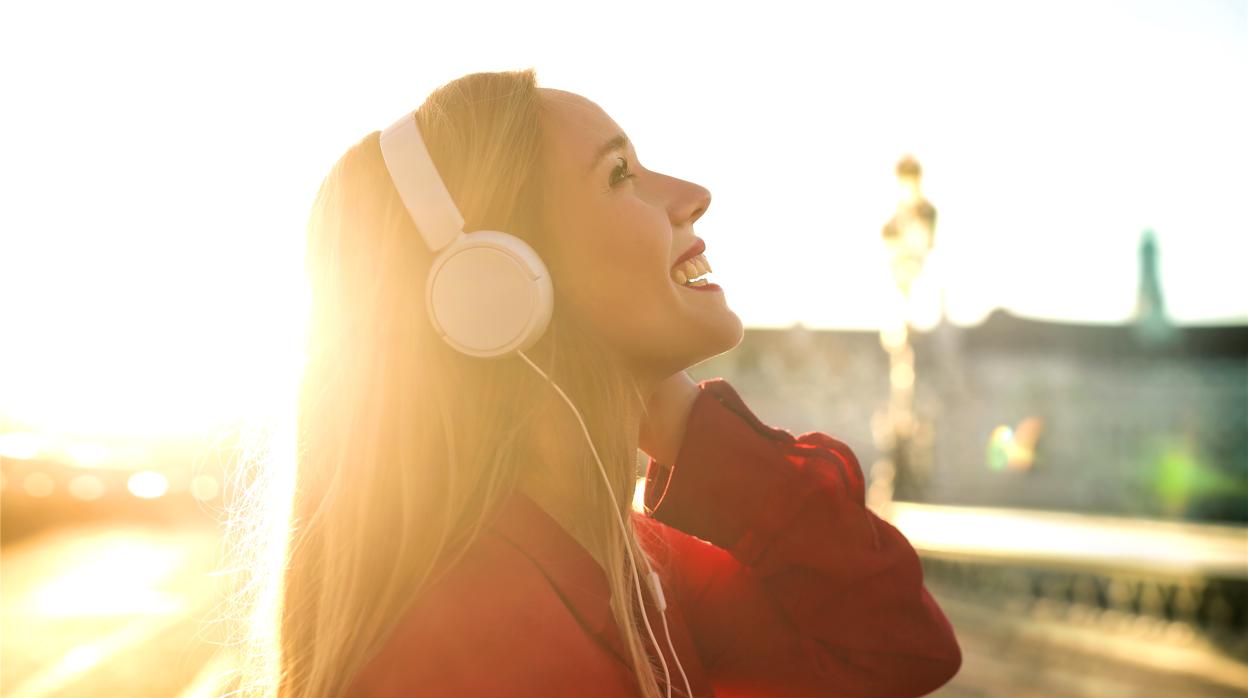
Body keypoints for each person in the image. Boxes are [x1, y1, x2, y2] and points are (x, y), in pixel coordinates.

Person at [276, 69, 961, 697]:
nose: (694, 196)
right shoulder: (457, 647)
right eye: (618, 175)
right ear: (492, 287)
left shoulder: (629, 566)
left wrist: (689, 426)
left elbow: (900, 645)